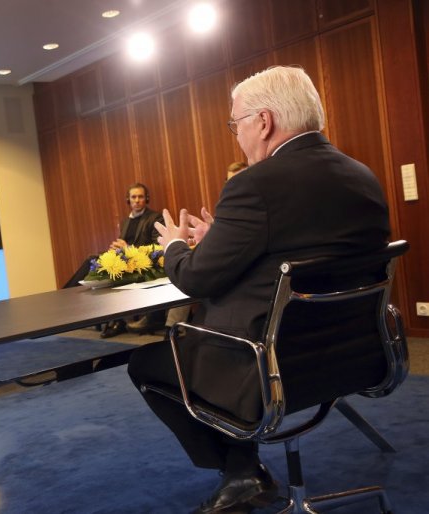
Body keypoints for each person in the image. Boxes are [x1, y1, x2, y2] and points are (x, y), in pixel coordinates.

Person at [127, 65, 390, 514]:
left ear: (263, 122)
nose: (238, 137)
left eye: (236, 125)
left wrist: (174, 245)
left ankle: (239, 471)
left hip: (269, 367)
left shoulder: (254, 185)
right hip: (354, 357)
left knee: (145, 364)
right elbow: (298, 250)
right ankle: (242, 471)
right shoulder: (361, 175)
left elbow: (196, 278)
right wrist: (221, 237)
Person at [99, 183, 164, 338]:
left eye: (140, 197)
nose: (137, 200)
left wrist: (128, 248)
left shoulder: (155, 218)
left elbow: (157, 247)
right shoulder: (125, 221)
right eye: (133, 197)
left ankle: (119, 321)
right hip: (126, 261)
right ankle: (119, 319)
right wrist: (116, 248)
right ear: (128, 200)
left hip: (145, 263)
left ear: (146, 199)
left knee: (109, 270)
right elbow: (123, 244)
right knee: (95, 260)